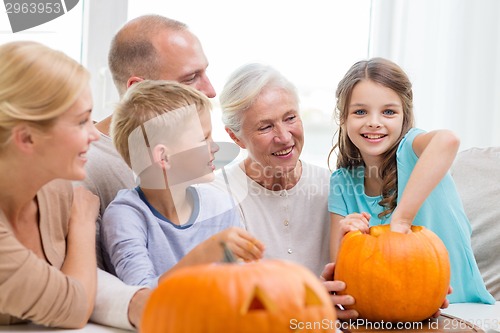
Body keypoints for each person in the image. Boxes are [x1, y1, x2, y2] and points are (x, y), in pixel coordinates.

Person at [78, 14, 223, 329]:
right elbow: (93, 286)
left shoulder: (203, 186)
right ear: (137, 90)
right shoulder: (83, 168)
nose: (210, 90)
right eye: (191, 77)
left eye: (206, 72)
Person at [328, 57, 495, 304]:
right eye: (360, 111)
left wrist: (402, 219)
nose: (374, 121)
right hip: (390, 315)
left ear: (404, 117)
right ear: (343, 118)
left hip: (461, 308)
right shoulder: (342, 181)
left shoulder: (412, 151)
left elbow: (448, 140)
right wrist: (348, 236)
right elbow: (339, 277)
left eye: (388, 112)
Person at [213, 63, 359, 320]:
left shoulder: (333, 187)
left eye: (290, 118)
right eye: (265, 127)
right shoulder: (218, 193)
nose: (284, 137)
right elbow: (228, 296)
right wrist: (308, 303)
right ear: (235, 137)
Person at [101, 80, 264, 287]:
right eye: (203, 138)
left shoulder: (220, 205)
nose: (214, 147)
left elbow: (245, 284)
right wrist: (203, 255)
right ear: (164, 157)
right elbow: (141, 295)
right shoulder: (126, 215)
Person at [0, 41, 100, 327]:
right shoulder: (75, 207)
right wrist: (82, 225)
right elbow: (75, 308)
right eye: (82, 122)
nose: (94, 134)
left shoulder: (54, 186)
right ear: (27, 138)